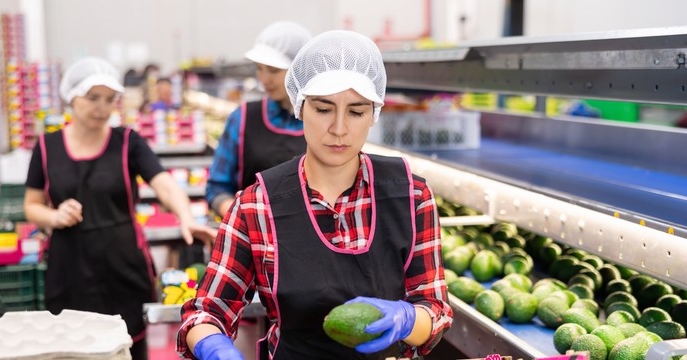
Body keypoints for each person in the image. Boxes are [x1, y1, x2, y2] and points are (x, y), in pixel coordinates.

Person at [178, 30, 453, 360]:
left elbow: (435, 309)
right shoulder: (256, 206)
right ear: (300, 107)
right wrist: (213, 345)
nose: (339, 128)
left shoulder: (411, 197)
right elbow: (206, 313)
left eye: (356, 111)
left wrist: (408, 321)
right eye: (324, 109)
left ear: (373, 115)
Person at [23, 57, 218, 360]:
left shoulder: (128, 142)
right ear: (70, 97)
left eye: (109, 99)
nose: (102, 107)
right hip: (69, 268)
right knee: (73, 349)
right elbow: (32, 205)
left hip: (122, 267)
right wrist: (54, 216)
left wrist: (187, 217)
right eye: (92, 98)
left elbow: (165, 184)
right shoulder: (47, 147)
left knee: (127, 348)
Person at [206, 21, 312, 218]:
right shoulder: (243, 118)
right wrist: (242, 219)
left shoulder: (321, 122)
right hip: (252, 240)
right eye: (259, 69)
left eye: (273, 70)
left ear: (300, 71)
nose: (264, 79)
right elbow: (217, 187)